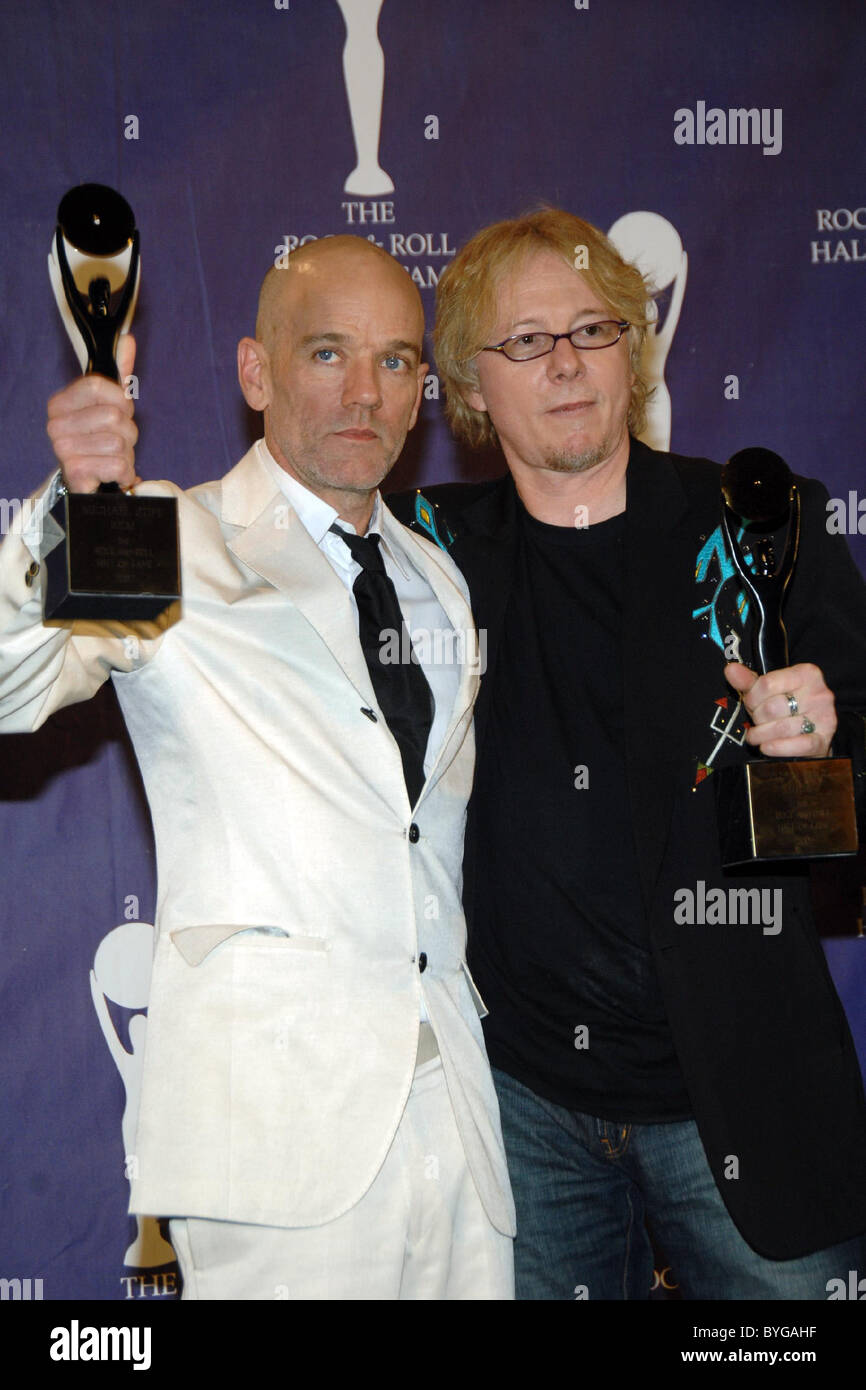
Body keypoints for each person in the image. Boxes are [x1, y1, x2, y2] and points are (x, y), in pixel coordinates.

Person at [0, 235, 515, 1300]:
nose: (364, 392)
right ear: (255, 371)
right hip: (275, 1140)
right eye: (327, 353)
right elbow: (10, 687)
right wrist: (73, 502)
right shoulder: (169, 536)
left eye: (395, 360)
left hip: (456, 1121)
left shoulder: (436, 581)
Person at [389, 208, 866, 1299]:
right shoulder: (421, 547)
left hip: (742, 1097)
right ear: (469, 384)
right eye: (524, 341)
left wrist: (827, 747)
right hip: (522, 1110)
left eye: (593, 330)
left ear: (631, 352)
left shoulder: (757, 527)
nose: (563, 362)